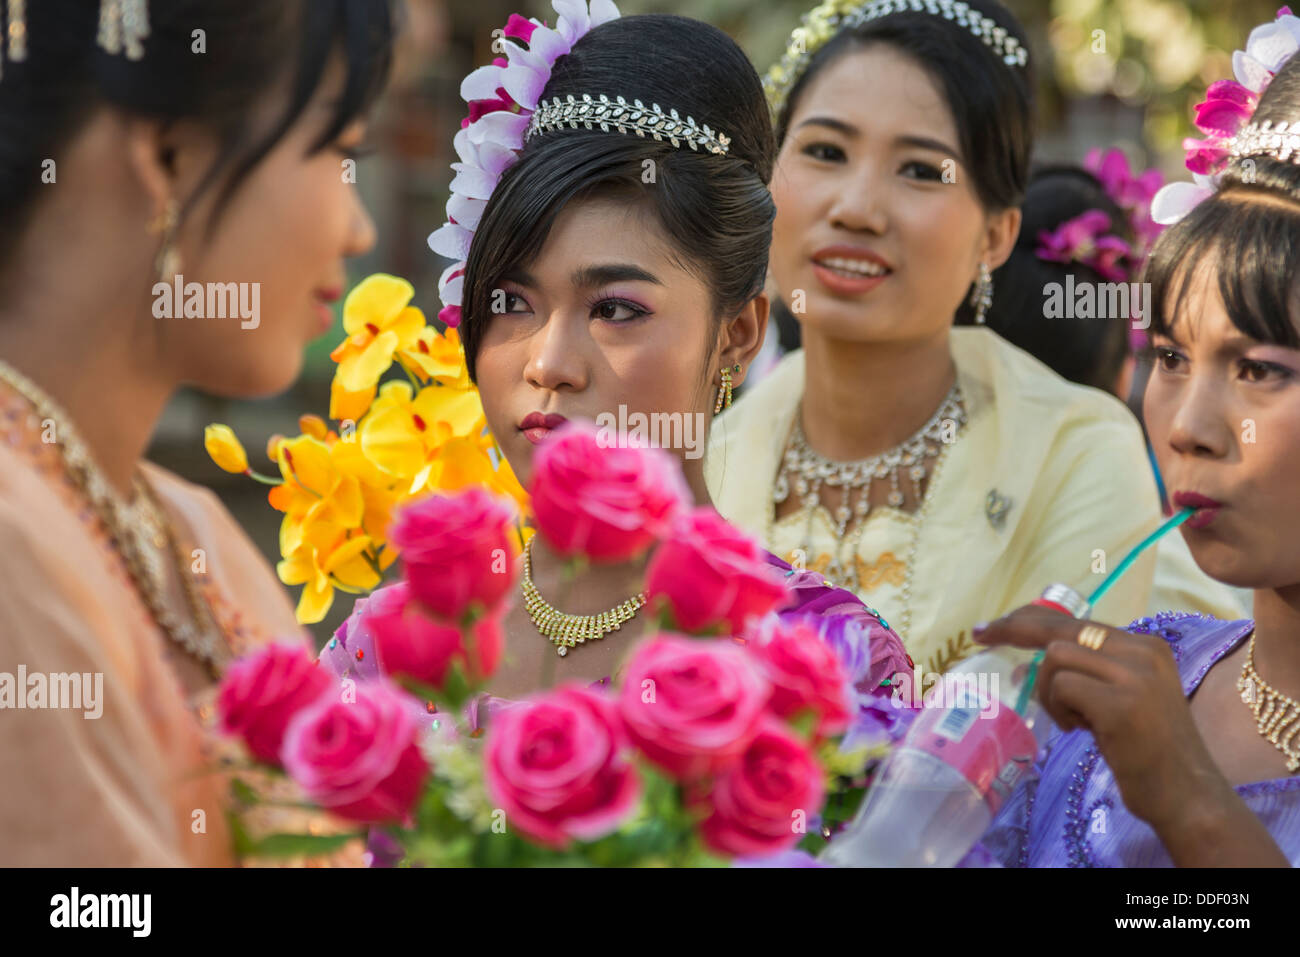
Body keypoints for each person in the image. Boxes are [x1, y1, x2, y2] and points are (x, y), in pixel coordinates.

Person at [705, 0, 1236, 683]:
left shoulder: (1075, 455)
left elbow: (1015, 755)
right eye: (825, 152)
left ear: (995, 236)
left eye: (922, 170)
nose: (857, 208)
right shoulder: (711, 455)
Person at [0, 0, 394, 865]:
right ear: (167, 154)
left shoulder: (198, 536)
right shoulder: (12, 538)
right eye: (341, 152)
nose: (359, 227)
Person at [422, 4, 908, 704]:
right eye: (512, 302)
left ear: (736, 337)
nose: (549, 362)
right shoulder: (393, 651)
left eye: (616, 310)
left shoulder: (833, 667)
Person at [965, 46, 1300, 866]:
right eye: (1171, 357)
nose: (1188, 425)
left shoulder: (1143, 721)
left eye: (1259, 369)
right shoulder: (1130, 683)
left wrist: (1190, 804)